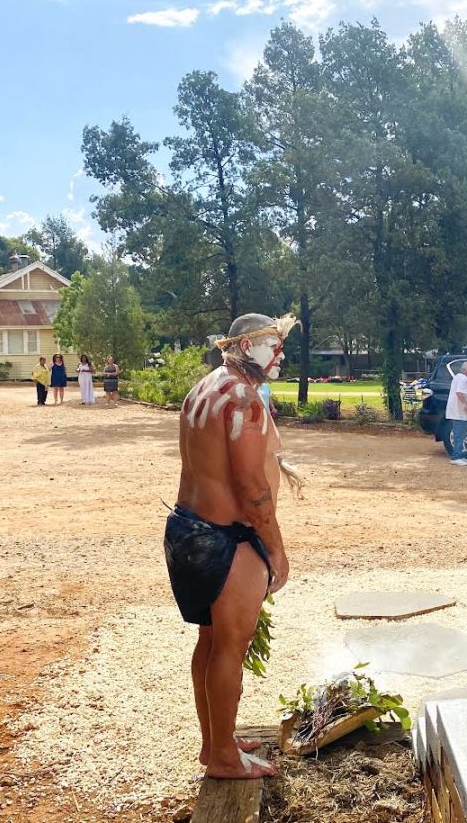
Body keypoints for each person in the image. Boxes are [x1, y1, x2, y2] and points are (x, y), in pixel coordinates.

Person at [164, 312, 302, 780]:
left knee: (210, 641)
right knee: (229, 649)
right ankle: (223, 757)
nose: (279, 353)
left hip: (187, 529)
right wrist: (277, 552)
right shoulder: (243, 399)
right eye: (270, 344)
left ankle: (215, 742)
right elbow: (252, 490)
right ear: (244, 347)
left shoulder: (205, 387)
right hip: (226, 539)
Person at [445, 361, 467, 466]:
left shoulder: (458, 377)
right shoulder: (463, 378)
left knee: (461, 434)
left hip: (459, 412)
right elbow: (459, 393)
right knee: (459, 434)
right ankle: (455, 457)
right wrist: (466, 404)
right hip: (459, 412)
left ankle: (459, 455)